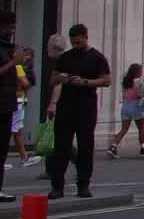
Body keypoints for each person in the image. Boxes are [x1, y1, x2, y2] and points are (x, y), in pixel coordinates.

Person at [46, 23, 111, 199]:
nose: (76, 46)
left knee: (85, 147)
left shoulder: (97, 57)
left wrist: (84, 82)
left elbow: (106, 80)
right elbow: (52, 79)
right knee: (61, 147)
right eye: (74, 43)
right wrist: (62, 78)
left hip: (86, 106)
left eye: (79, 43)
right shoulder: (65, 58)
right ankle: (57, 186)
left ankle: (83, 184)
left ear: (86, 38)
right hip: (66, 106)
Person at [0, 10, 36, 202]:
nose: (13, 30)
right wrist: (13, 62)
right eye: (11, 26)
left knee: (1, 147)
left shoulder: (5, 47)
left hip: (5, 104)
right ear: (2, 26)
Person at [107, 64, 144, 159]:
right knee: (141, 129)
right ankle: (143, 149)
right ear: (137, 72)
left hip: (125, 106)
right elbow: (141, 93)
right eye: (140, 71)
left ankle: (113, 146)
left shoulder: (125, 81)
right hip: (135, 105)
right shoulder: (138, 81)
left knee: (124, 129)